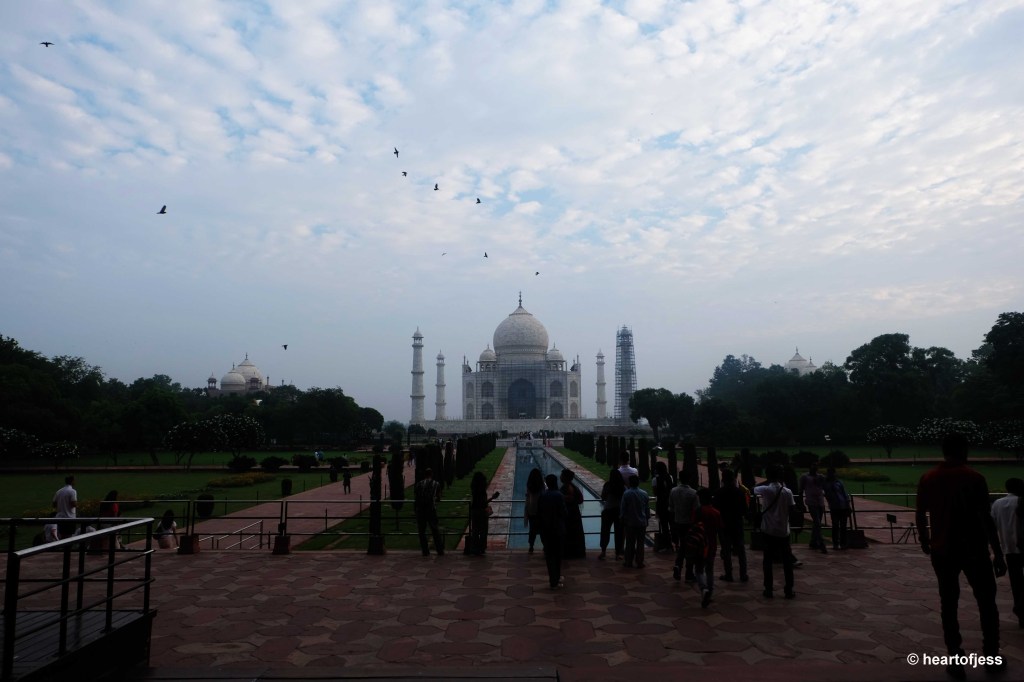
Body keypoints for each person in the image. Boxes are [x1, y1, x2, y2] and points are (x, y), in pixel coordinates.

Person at [917, 433, 1006, 677]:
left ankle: (955, 656)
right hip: (973, 549)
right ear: (964, 450)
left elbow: (920, 513)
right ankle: (991, 655)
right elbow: (986, 519)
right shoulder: (974, 478)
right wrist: (998, 553)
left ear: (944, 450)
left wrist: (926, 540)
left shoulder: (929, 478)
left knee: (949, 603)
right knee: (987, 603)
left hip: (943, 550)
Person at [754, 464, 796, 599]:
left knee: (768, 561)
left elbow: (752, 489)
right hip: (783, 531)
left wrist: (768, 480)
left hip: (768, 530)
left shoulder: (765, 490)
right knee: (787, 562)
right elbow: (792, 510)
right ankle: (789, 589)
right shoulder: (787, 492)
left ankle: (768, 589)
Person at [991, 478, 1024, 628]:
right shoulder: (1020, 501)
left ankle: (1021, 613)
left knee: (1016, 583)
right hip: (1021, 546)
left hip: (1008, 548)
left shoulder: (998, 504)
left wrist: (996, 551)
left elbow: (992, 527)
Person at [713, 468, 749, 582]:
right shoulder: (739, 492)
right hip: (737, 524)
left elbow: (715, 510)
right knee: (741, 550)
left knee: (726, 551)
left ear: (723, 479)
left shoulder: (719, 492)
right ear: (733, 478)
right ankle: (743, 574)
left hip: (724, 525)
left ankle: (729, 574)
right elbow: (744, 510)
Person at [538, 474, 567, 588]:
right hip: (558, 529)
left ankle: (552, 579)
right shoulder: (559, 495)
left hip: (546, 529)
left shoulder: (543, 495)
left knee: (549, 555)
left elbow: (539, 512)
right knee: (558, 555)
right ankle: (557, 576)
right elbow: (564, 513)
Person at [694, 488, 722, 608]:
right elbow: (720, 528)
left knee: (699, 569)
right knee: (709, 569)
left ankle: (703, 588)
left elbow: (693, 525)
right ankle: (709, 593)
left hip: (700, 544)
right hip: (711, 544)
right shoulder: (716, 512)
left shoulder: (698, 511)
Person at [669, 476, 699, 582]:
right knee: (690, 548)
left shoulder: (673, 491)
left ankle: (678, 565)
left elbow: (671, 508)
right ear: (689, 479)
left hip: (678, 523)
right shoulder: (693, 493)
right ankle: (689, 573)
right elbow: (696, 510)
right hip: (689, 524)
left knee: (682, 545)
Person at [620, 474, 650, 568]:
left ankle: (628, 561)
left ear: (629, 483)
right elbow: (647, 509)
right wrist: (647, 519)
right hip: (641, 522)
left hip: (630, 522)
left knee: (629, 543)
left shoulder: (627, 493)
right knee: (640, 544)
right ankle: (640, 562)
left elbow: (623, 509)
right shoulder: (644, 493)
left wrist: (622, 518)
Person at [467, 471, 499, 556]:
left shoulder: (474, 490)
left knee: (475, 530)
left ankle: (475, 548)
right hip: (481, 512)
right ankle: (481, 548)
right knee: (483, 531)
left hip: (474, 511)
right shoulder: (482, 492)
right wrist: (493, 498)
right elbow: (483, 503)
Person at [414, 468, 444, 556]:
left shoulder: (419, 484)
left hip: (421, 510)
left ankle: (425, 551)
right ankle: (440, 550)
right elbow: (438, 498)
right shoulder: (436, 484)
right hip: (431, 509)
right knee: (435, 530)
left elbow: (416, 496)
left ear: (424, 475)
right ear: (432, 474)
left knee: (422, 531)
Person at [799, 463, 828, 554]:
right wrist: (801, 503)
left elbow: (825, 487)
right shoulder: (804, 477)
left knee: (817, 523)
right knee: (817, 522)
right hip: (811, 502)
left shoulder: (820, 477)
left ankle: (813, 542)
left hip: (820, 502)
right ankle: (821, 543)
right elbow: (800, 490)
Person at [599, 469, 625, 560]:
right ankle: (618, 553)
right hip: (619, 511)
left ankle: (603, 551)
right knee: (619, 533)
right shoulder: (622, 486)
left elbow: (603, 497)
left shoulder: (608, 485)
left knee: (605, 531)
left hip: (608, 510)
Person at [560, 469, 586, 559]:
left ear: (565, 477)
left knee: (569, 533)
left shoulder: (568, 487)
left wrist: (565, 498)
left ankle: (570, 553)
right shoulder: (572, 486)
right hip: (573, 514)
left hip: (570, 514)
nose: (560, 477)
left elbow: (578, 499)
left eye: (562, 475)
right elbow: (580, 499)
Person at [824, 467, 851, 550]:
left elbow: (844, 494)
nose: (832, 475)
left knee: (843, 526)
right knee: (835, 525)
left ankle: (843, 543)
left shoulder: (839, 482)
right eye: (830, 473)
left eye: (832, 473)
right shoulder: (825, 483)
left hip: (843, 506)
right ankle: (835, 543)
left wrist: (848, 505)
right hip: (834, 507)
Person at [651, 461, 675, 553]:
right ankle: (676, 544)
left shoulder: (655, 479)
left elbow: (655, 493)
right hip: (670, 503)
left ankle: (668, 546)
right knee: (672, 525)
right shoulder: (670, 477)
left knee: (664, 526)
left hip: (661, 504)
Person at [524, 467, 545, 554]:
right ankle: (545, 546)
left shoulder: (529, 485)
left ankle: (531, 546)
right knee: (543, 530)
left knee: (532, 530)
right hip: (540, 510)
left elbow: (528, 496)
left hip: (531, 510)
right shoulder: (542, 486)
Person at [53, 475, 78, 539]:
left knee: (62, 536)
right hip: (70, 518)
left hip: (59, 518)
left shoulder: (58, 491)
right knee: (69, 538)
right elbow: (73, 504)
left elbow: (54, 504)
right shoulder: (72, 491)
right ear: (72, 481)